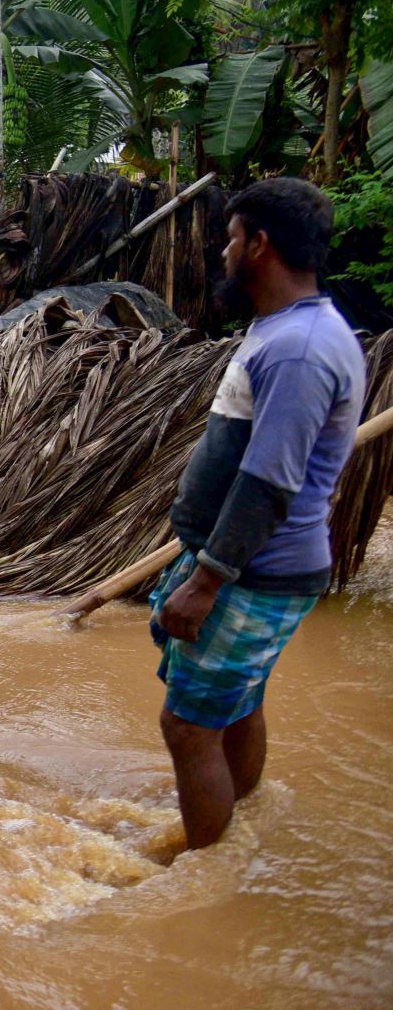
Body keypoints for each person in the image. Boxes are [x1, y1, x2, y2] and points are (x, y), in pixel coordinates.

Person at [151, 178, 364, 851]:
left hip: (249, 574)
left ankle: (203, 879)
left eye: (231, 238)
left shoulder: (299, 349)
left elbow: (269, 481)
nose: (222, 252)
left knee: (188, 727)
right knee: (238, 704)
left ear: (260, 245)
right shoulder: (290, 332)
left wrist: (207, 578)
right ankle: (239, 825)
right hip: (254, 567)